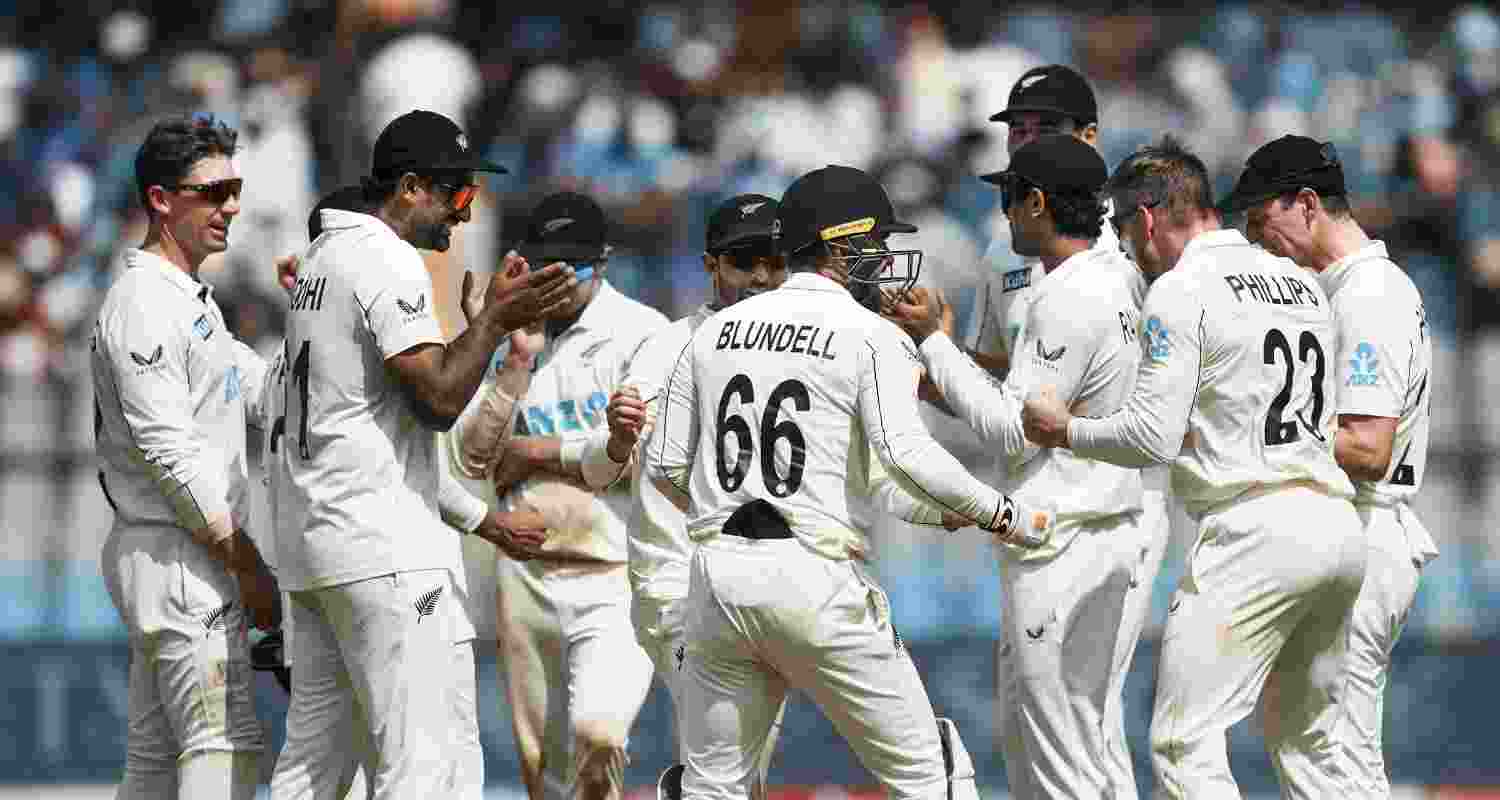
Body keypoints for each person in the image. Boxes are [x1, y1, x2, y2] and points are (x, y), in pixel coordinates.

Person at [647, 164, 1045, 800]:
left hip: (716, 578)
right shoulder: (869, 333)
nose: (885, 259)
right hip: (816, 576)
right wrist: (1004, 513)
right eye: (876, 245)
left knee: (712, 789)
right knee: (931, 774)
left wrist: (738, 513)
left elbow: (667, 465)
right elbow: (907, 453)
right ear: (839, 248)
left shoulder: (714, 329)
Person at [1021, 135, 1367, 798]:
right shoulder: (1299, 281)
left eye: (1122, 230)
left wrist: (1066, 430)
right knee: (1310, 745)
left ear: (1145, 219)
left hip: (1255, 532)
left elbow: (1150, 438)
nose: (1125, 248)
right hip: (1335, 524)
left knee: (1183, 743)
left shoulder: (1181, 290)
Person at [268, 109, 575, 800]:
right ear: (410, 188)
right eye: (456, 194)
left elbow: (378, 422)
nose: (464, 215)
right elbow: (435, 400)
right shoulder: (385, 257)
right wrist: (493, 322)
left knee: (311, 771)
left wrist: (478, 327)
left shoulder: (322, 260)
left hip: (320, 548)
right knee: (423, 768)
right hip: (386, 552)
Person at [884, 134, 1146, 798]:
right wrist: (942, 374)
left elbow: (1014, 433)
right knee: (1082, 746)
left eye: (1009, 198)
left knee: (1056, 757)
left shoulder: (1063, 296)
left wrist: (935, 345)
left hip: (1060, 538)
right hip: (1108, 527)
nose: (1004, 214)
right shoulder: (1120, 277)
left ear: (1037, 202)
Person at [973, 67, 1168, 795]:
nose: (1024, 138)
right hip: (1038, 498)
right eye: (1016, 127)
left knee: (1083, 711)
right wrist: (932, 361)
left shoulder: (1129, 244)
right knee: (1027, 712)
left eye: (1042, 126)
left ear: (1089, 136)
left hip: (1122, 500)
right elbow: (1006, 366)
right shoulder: (1007, 251)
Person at [1224, 134, 1437, 797]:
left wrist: (1257, 430)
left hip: (1366, 531)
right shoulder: (1340, 288)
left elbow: (1369, 447)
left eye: (1262, 222)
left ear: (1307, 204)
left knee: (1335, 761)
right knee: (1309, 748)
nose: (1259, 243)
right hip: (1344, 536)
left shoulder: (1368, 293)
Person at [447, 190, 668, 800]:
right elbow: (470, 456)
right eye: (548, 261)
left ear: (603, 260)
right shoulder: (510, 332)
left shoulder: (644, 333)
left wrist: (531, 453)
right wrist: (515, 359)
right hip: (526, 579)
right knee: (544, 777)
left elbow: (645, 460)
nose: (558, 278)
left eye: (571, 264)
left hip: (615, 572)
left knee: (600, 736)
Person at [91, 113, 279, 800]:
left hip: (180, 552)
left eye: (235, 189)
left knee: (157, 759)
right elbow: (168, 453)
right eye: (213, 191)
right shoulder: (143, 302)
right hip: (180, 555)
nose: (231, 206)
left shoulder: (189, 299)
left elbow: (263, 389)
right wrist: (247, 563)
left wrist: (320, 324)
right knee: (222, 745)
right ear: (161, 199)